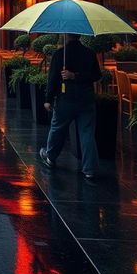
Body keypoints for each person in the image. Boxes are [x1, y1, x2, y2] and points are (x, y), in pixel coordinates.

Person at [39, 34, 102, 180]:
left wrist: (48, 99)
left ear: (66, 36)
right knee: (87, 133)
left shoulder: (60, 54)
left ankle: (50, 157)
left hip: (65, 98)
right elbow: (97, 75)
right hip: (86, 98)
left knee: (58, 128)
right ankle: (90, 169)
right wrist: (79, 76)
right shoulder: (90, 53)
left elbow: (53, 78)